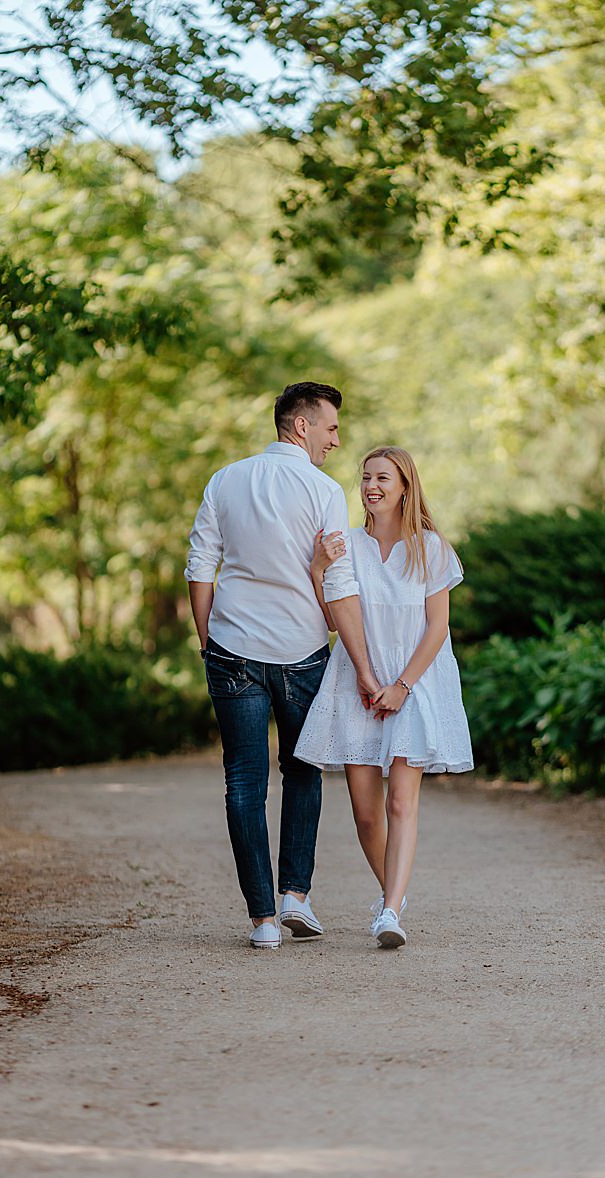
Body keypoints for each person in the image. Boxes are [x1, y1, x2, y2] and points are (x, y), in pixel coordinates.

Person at [185, 382, 378, 950]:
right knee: (303, 770)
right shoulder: (322, 489)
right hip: (301, 652)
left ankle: (263, 920)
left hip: (232, 647)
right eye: (331, 428)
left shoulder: (225, 479)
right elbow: (338, 581)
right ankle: (296, 895)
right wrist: (363, 665)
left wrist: (207, 641)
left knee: (243, 781)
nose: (335, 442)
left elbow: (201, 566)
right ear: (301, 426)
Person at [295, 445, 473, 948]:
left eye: (382, 478)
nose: (371, 486)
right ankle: (390, 896)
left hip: (413, 683)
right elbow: (332, 621)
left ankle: (390, 911)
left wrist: (401, 687)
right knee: (366, 813)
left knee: (400, 801)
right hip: (357, 682)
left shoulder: (431, 548)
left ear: (404, 487)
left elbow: (437, 629)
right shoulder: (345, 546)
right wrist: (317, 569)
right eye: (366, 477)